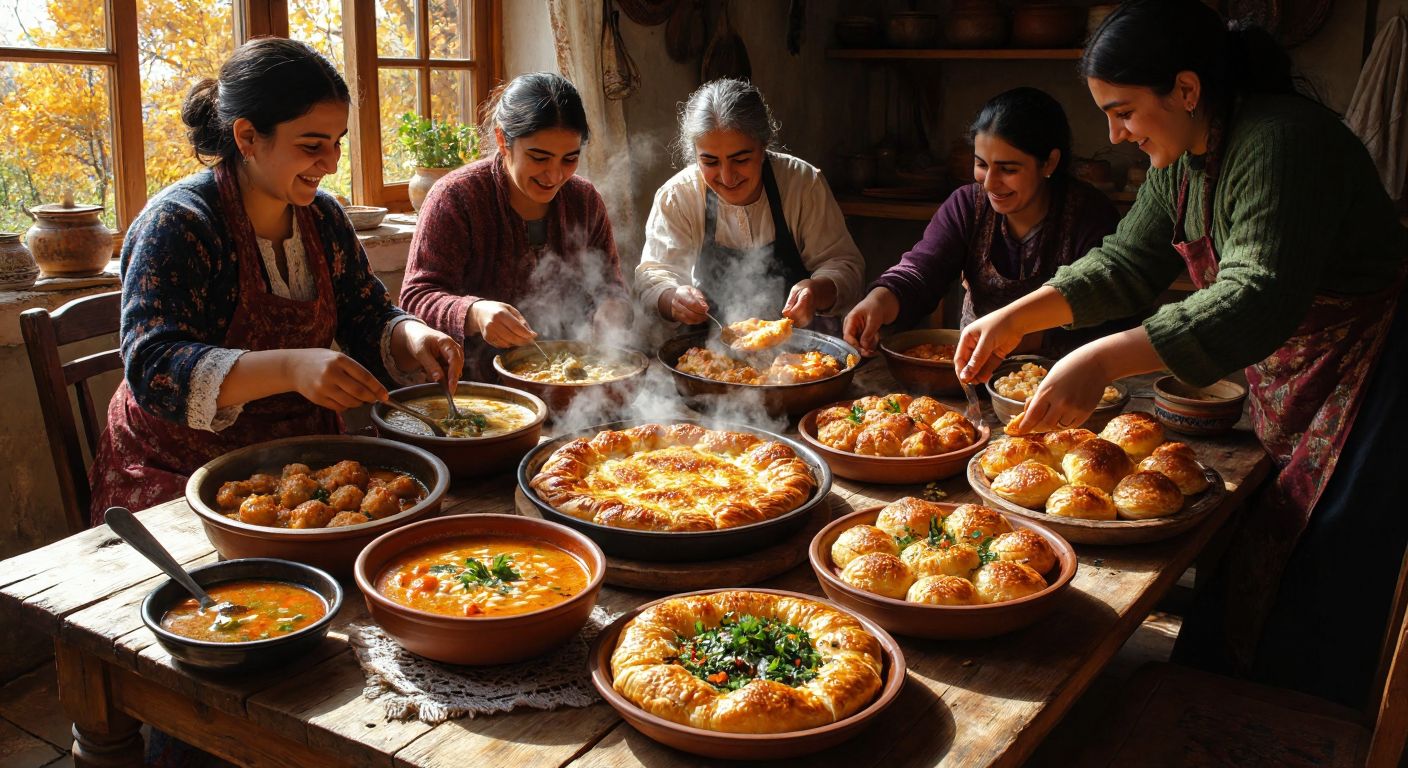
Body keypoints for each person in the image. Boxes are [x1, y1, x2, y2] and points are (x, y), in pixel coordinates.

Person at [955, 0, 1408, 708]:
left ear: (1187, 91)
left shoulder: (1283, 142)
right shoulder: (1186, 155)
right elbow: (1127, 262)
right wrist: (1018, 316)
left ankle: (1303, 729)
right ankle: (1220, 698)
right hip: (1295, 374)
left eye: (1125, 110)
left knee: (1330, 565)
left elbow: (1257, 293)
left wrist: (1101, 361)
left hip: (1377, 377)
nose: (1113, 133)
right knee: (1256, 542)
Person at [89, 38, 461, 524]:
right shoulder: (178, 223)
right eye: (311, 146)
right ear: (246, 137)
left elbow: (364, 311)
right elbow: (154, 368)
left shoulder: (323, 217)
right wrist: (290, 367)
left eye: (336, 144)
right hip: (179, 475)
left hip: (304, 471)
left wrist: (414, 335)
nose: (330, 164)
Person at [844, 87, 1122, 357]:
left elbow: (1107, 316)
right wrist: (879, 301)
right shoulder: (967, 206)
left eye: (1008, 169)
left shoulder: (1090, 216)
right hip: (972, 373)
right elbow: (922, 271)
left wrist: (1013, 336)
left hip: (1071, 377)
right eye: (981, 164)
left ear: (1049, 163)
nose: (989, 183)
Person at [400, 72, 631, 380]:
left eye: (569, 159)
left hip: (572, 383)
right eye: (539, 157)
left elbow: (610, 285)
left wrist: (612, 308)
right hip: (476, 389)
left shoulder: (584, 201)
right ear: (502, 140)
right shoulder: (456, 197)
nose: (554, 175)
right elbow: (415, 298)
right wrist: (475, 313)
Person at [635, 78, 864, 333]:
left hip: (801, 351)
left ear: (763, 146)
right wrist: (672, 298)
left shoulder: (801, 184)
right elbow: (654, 276)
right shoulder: (679, 196)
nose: (727, 177)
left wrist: (817, 290)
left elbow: (846, 266)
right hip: (710, 353)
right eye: (710, 162)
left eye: (741, 159)